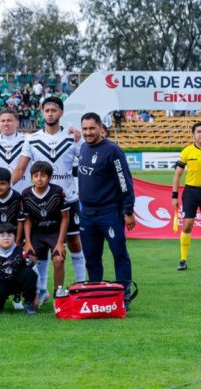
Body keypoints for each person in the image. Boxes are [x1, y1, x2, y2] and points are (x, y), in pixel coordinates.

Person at [11, 96, 87, 286]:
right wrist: (5, 191)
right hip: (40, 202)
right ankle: (42, 289)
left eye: (54, 110)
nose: (50, 113)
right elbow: (21, 169)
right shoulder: (32, 139)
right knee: (40, 247)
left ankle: (81, 284)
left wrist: (82, 137)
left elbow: (87, 162)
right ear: (42, 112)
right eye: (47, 110)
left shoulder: (73, 137)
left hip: (68, 199)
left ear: (61, 113)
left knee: (75, 242)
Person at [77, 112, 136, 303]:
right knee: (92, 257)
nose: (88, 132)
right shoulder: (83, 148)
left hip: (109, 213)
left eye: (92, 128)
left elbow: (124, 182)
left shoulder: (112, 150)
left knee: (119, 254)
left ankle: (123, 295)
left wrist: (128, 211)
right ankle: (96, 293)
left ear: (101, 128)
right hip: (87, 214)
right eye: (85, 128)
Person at [21, 161, 69, 306]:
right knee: (29, 260)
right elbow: (27, 220)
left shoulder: (57, 191)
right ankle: (36, 293)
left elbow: (65, 218)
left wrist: (60, 243)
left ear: (49, 178)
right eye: (35, 176)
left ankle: (58, 296)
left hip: (54, 232)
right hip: (37, 233)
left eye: (43, 176)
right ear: (31, 178)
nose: (39, 178)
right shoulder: (26, 194)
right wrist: (27, 241)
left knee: (58, 260)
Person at [0, 222, 38, 316]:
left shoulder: (20, 251)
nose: (6, 238)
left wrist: (37, 295)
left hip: (16, 282)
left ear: (14, 237)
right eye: (2, 235)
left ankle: (28, 304)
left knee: (30, 273)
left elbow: (35, 270)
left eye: (9, 235)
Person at [172, 122, 201, 271]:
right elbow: (177, 175)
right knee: (188, 225)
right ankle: (183, 259)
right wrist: (174, 195)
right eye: (199, 132)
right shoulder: (187, 151)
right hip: (191, 192)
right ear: (194, 134)